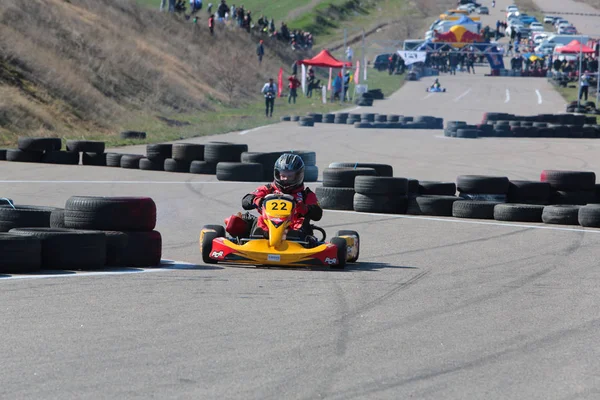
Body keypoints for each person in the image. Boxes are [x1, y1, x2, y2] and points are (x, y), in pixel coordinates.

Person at [240, 153, 322, 243]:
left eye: (290, 176)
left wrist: (304, 208)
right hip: (268, 224)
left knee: (301, 223)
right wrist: (257, 200)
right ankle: (258, 239)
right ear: (277, 174)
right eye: (283, 175)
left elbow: (317, 214)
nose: (285, 179)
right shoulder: (269, 189)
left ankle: (293, 240)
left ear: (298, 175)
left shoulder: (306, 194)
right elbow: (246, 200)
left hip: (293, 227)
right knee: (253, 221)